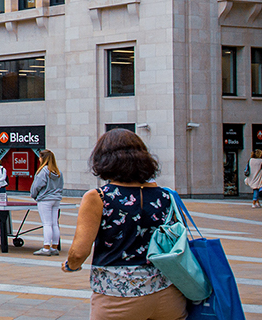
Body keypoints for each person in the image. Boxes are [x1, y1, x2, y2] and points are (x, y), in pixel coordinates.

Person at [62, 129, 186, 320]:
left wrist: (71, 265)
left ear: (103, 160)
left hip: (118, 296)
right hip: (167, 293)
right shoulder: (166, 196)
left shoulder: (99, 197)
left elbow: (79, 251)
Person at [28, 149, 64, 256]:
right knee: (54, 223)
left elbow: (36, 186)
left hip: (45, 199)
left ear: (43, 158)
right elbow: (61, 185)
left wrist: (34, 195)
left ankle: (46, 247)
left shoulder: (43, 171)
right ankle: (54, 247)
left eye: (40, 157)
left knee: (47, 223)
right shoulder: (58, 172)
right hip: (56, 199)